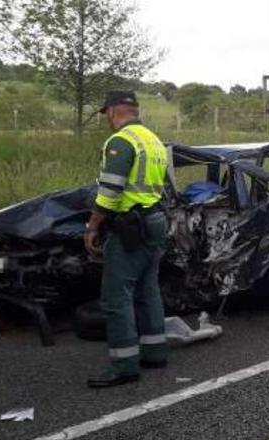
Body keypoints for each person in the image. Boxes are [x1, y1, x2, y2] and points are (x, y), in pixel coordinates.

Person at [84, 90, 170, 387]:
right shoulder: (153, 140)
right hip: (155, 221)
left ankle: (124, 366)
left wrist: (93, 226)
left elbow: (110, 191)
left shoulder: (121, 141)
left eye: (106, 114)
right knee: (148, 289)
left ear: (111, 111)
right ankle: (155, 352)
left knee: (116, 297)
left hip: (130, 227)